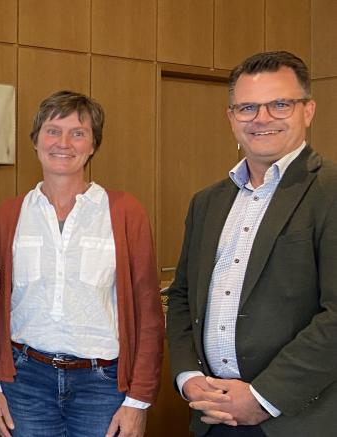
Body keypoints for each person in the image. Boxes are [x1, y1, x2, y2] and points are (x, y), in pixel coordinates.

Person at [166, 50, 337, 436]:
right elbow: (181, 297)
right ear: (231, 117)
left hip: (295, 418)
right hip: (212, 415)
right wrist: (188, 375)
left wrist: (262, 397)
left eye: (279, 104)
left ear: (307, 111)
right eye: (246, 107)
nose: (261, 119)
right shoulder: (207, 202)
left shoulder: (330, 191)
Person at [0, 91, 163, 437]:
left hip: (104, 385)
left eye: (78, 133)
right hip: (24, 382)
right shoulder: (10, 214)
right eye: (52, 131)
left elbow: (149, 314)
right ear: (35, 141)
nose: (63, 142)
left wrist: (138, 401)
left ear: (93, 144)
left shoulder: (124, 212)